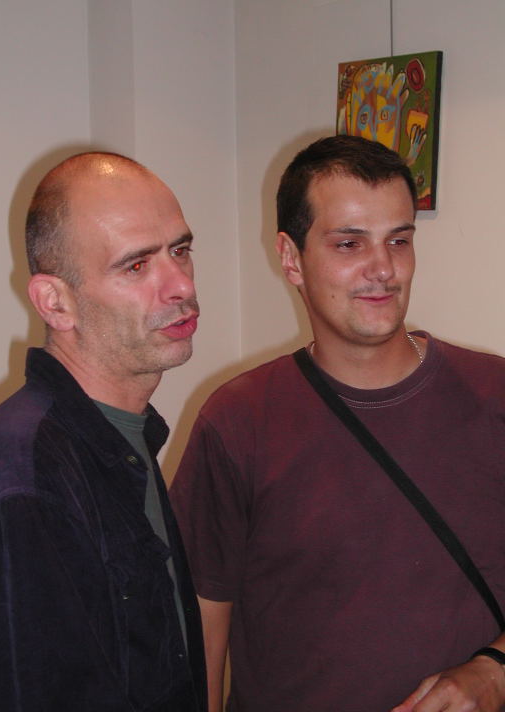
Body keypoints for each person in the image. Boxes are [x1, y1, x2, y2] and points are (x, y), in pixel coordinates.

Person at [170, 135, 505, 712]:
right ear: (290, 257)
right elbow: (201, 623)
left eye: (399, 240)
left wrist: (496, 669)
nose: (384, 269)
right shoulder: (239, 420)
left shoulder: (494, 396)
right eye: (350, 243)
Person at [0, 152, 207, 711]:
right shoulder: (25, 481)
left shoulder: (120, 438)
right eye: (137, 265)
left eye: (180, 250)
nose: (179, 284)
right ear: (56, 303)